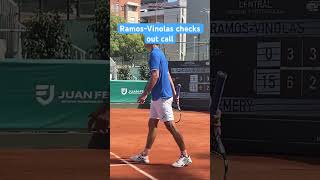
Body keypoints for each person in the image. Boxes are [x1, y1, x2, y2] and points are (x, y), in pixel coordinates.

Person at [130, 44, 192, 168]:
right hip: (158, 96)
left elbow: (155, 75)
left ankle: (185, 156)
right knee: (152, 123)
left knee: (170, 126)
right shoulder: (161, 53)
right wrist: (174, 93)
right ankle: (145, 155)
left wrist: (144, 94)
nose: (144, 41)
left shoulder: (154, 54)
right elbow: (167, 74)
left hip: (161, 97)